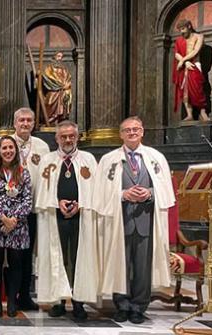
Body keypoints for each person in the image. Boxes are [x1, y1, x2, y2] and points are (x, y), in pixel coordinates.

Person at [91, 116, 174, 324]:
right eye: (127, 130)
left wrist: (149, 192)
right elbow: (99, 192)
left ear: (142, 132)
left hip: (146, 221)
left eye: (136, 129)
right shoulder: (109, 159)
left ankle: (138, 306)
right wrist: (122, 194)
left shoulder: (156, 158)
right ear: (120, 134)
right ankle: (122, 304)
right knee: (120, 264)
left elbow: (165, 190)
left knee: (143, 266)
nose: (132, 133)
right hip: (120, 220)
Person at [0, 107, 50, 311]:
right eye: (21, 120)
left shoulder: (42, 146)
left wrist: (17, 216)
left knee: (24, 257)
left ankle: (23, 296)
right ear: (15, 123)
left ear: (33, 123)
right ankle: (2, 299)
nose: (25, 124)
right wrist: (3, 216)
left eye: (29, 120)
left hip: (28, 212)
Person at [34, 120, 98, 320]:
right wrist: (56, 202)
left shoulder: (88, 159)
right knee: (57, 258)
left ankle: (79, 303)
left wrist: (81, 203)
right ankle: (59, 301)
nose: (68, 140)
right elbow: (42, 191)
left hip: (81, 217)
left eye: (71, 136)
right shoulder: (48, 160)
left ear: (77, 137)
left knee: (79, 260)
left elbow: (96, 191)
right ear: (56, 138)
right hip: (55, 217)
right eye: (63, 136)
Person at [0, 136, 33, 318]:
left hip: (18, 226)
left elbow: (27, 200)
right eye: (4, 148)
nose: (8, 151)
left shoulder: (23, 173)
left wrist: (14, 220)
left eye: (11, 147)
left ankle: (12, 300)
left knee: (16, 263)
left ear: (15, 150)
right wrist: (3, 218)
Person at [173, 19, 209, 122]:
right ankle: (189, 114)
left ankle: (203, 113)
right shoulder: (179, 40)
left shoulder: (199, 37)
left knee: (198, 89)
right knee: (185, 90)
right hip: (185, 66)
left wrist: (183, 60)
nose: (181, 32)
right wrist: (185, 63)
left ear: (189, 26)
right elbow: (176, 54)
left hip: (195, 65)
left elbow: (195, 51)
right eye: (180, 30)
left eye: (183, 29)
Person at [42, 52, 73, 124]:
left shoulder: (64, 69)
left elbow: (68, 79)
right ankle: (49, 121)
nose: (60, 58)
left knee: (62, 107)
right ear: (54, 57)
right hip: (53, 90)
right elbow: (47, 77)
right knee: (49, 103)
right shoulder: (49, 68)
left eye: (61, 57)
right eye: (58, 56)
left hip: (62, 91)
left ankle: (58, 121)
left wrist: (66, 85)